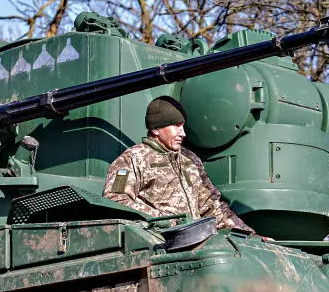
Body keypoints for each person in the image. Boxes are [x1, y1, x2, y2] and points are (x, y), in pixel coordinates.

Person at [103, 96, 255, 233]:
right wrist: (164, 221)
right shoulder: (132, 159)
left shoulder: (190, 159)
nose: (183, 133)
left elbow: (213, 206)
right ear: (155, 129)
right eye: (176, 126)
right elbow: (116, 200)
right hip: (160, 245)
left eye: (183, 126)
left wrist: (250, 235)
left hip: (195, 242)